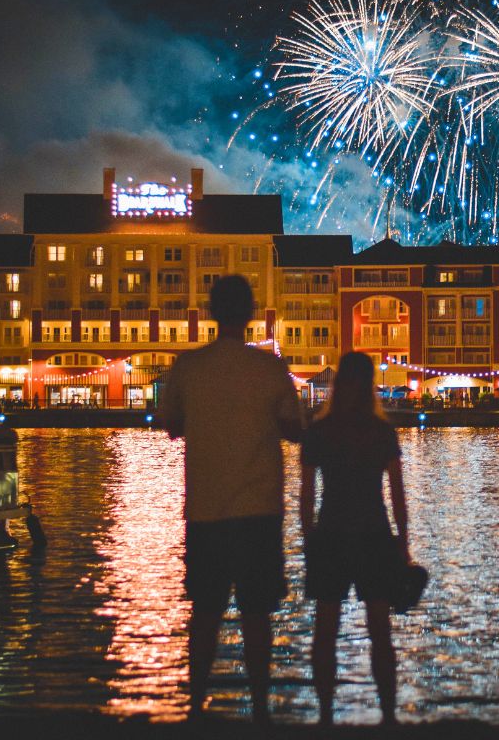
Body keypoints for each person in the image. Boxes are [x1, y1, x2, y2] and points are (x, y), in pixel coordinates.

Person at [161, 275, 303, 725]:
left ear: (209, 312)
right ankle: (260, 709)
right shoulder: (270, 370)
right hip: (259, 510)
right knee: (257, 613)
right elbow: (295, 429)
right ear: (250, 314)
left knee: (205, 612)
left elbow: (170, 424)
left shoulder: (188, 367)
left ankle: (197, 707)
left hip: (206, 510)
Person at [300, 351, 410, 727]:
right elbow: (397, 493)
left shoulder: (319, 430)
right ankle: (389, 716)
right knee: (380, 631)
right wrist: (403, 541)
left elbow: (306, 494)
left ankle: (327, 715)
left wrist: (308, 537)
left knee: (325, 630)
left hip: (330, 533)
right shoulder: (382, 432)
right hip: (374, 534)